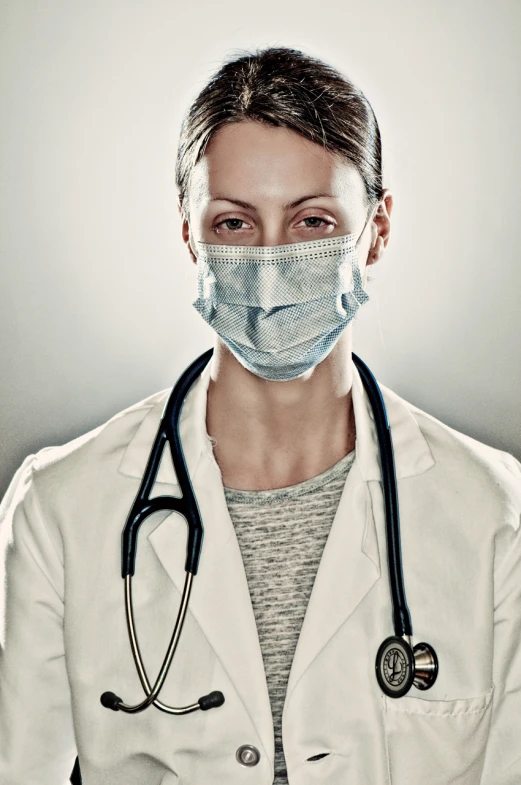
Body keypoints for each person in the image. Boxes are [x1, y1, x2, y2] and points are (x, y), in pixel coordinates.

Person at [1, 45, 520, 785]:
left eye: (312, 222)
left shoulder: (493, 514)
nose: (272, 268)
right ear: (188, 230)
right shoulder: (59, 508)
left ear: (377, 227)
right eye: (235, 224)